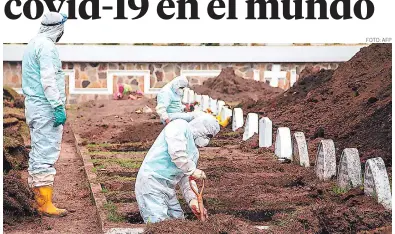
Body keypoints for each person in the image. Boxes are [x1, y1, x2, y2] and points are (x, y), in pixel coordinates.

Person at [22, 12, 68, 217]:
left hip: (34, 106)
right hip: (45, 108)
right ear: (58, 28)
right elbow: (48, 80)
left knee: (37, 153)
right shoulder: (48, 47)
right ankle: (44, 203)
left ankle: (36, 198)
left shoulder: (34, 43)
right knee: (46, 154)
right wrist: (58, 106)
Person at [135, 114, 220, 223]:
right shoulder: (179, 126)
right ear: (201, 126)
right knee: (159, 225)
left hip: (168, 189)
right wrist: (192, 170)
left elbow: (187, 179)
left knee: (178, 222)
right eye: (208, 135)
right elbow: (177, 153)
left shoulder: (193, 153)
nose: (207, 140)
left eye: (210, 137)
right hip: (151, 182)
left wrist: (193, 200)